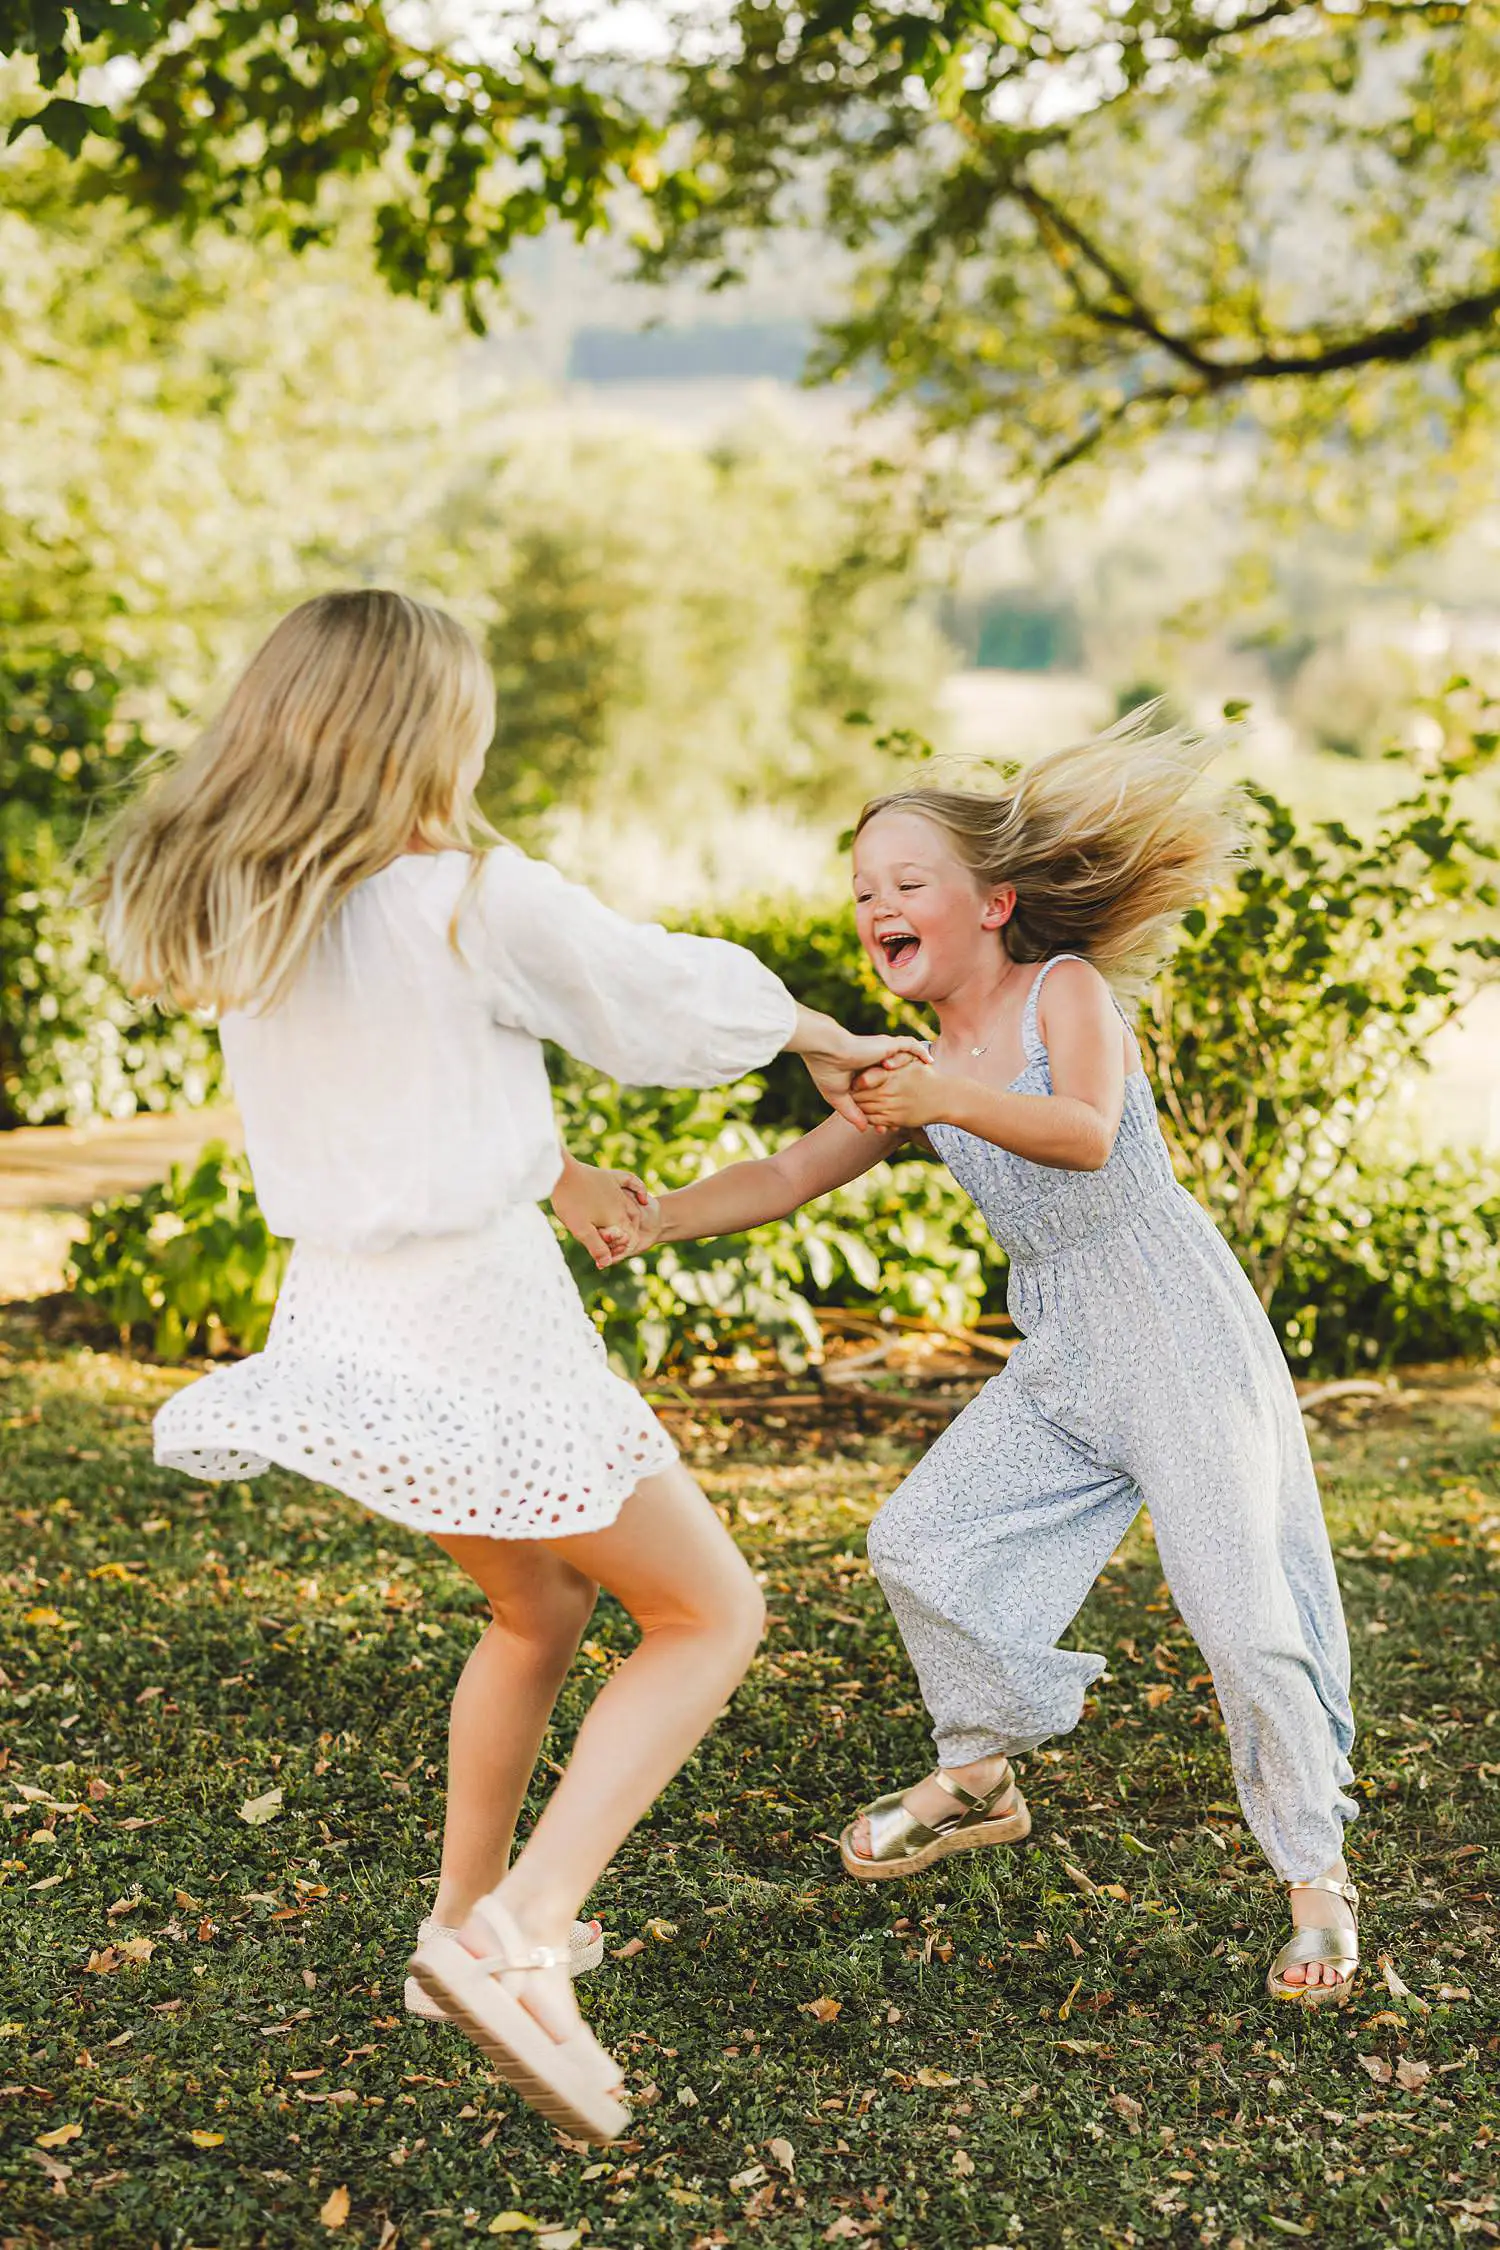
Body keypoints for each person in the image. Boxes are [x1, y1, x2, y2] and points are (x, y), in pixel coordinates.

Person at [93, 587, 926, 2139]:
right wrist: (818, 1031)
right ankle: (518, 1932)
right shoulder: (472, 893)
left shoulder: (267, 911)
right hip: (478, 1318)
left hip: (348, 1312)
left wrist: (554, 1173)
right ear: (430, 728)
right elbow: (656, 995)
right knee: (709, 1609)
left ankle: (450, 1931)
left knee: (535, 1601)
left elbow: (402, 1088)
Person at [616, 714, 1361, 2008]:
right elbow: (792, 1172)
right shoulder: (899, 1065)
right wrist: (662, 1211)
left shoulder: (1059, 992)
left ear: (994, 904)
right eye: (863, 892)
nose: (877, 906)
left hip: (1177, 1331)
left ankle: (1317, 1883)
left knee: (1243, 1616)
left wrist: (941, 1098)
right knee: (921, 1541)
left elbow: (1083, 1130)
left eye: (908, 883)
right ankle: (982, 1773)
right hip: (1066, 1348)